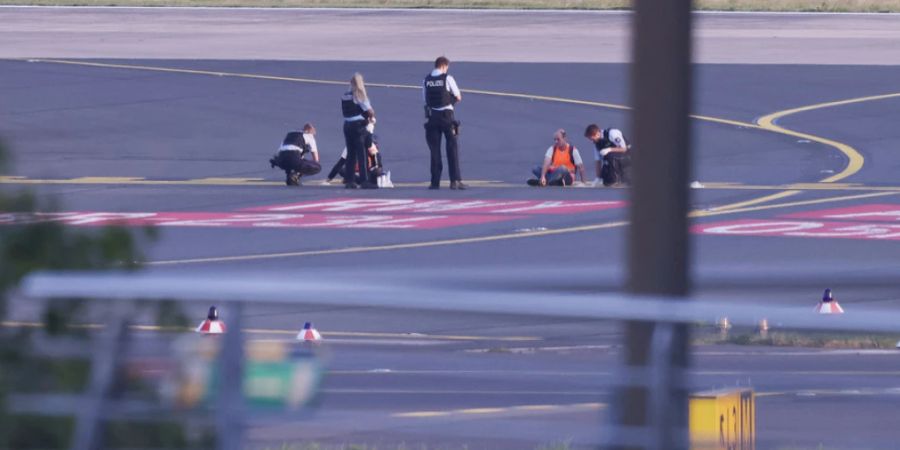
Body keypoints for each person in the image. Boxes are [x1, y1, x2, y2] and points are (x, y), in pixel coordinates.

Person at [423, 56, 466, 190]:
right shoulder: (447, 78)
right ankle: (455, 181)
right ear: (443, 66)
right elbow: (458, 96)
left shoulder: (426, 80)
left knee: (434, 151)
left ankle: (435, 182)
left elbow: (425, 100)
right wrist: (450, 101)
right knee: (452, 149)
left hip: (432, 118)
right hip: (447, 116)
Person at [323, 122, 389, 187]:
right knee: (343, 171)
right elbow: (340, 164)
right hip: (358, 173)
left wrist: (378, 170)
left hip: (366, 172)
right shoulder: (352, 146)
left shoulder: (369, 144)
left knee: (375, 170)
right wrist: (329, 179)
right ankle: (370, 180)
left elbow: (377, 160)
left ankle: (370, 179)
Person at [341, 73, 377, 189]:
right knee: (362, 153)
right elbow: (370, 111)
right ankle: (364, 180)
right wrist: (370, 117)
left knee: (351, 154)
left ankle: (349, 180)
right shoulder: (360, 95)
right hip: (358, 126)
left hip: (347, 125)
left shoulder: (345, 95)